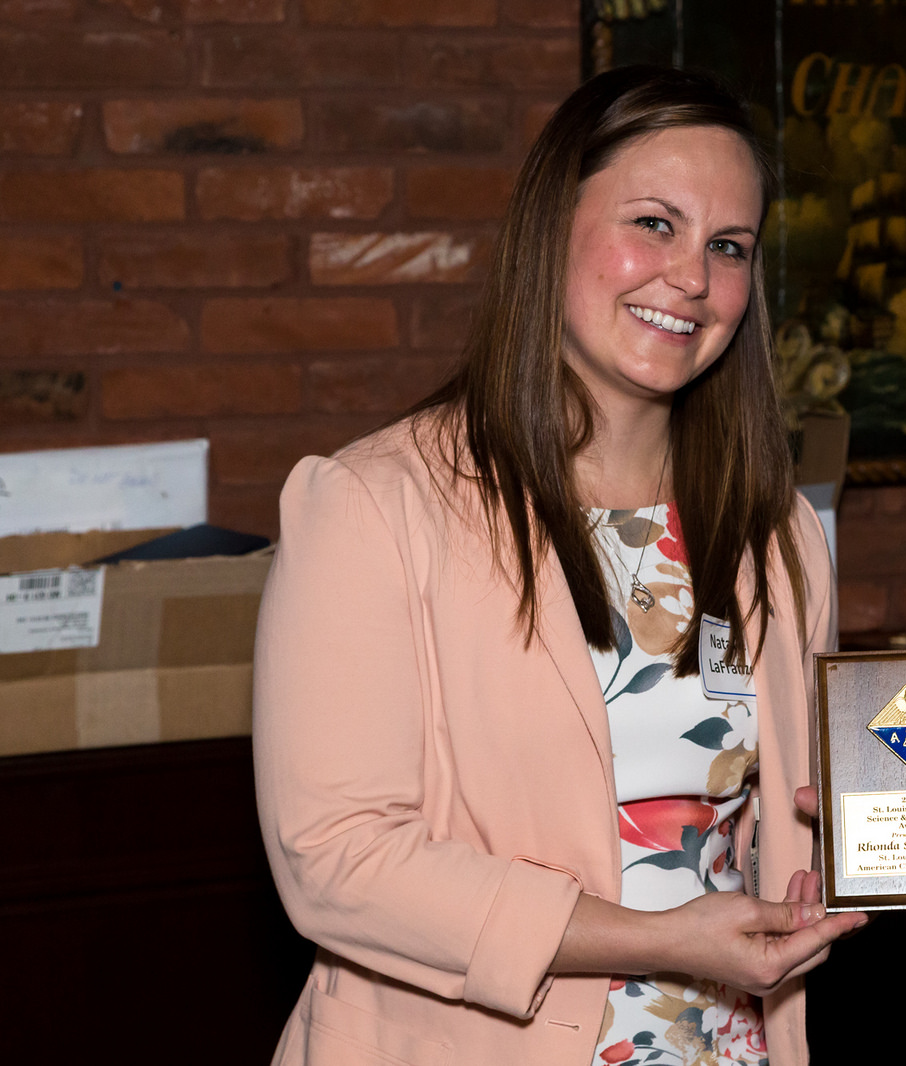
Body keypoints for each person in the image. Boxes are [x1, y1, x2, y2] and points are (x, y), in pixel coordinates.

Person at [253, 66, 865, 1066]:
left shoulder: (775, 529)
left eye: (728, 246)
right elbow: (338, 860)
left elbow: (764, 833)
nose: (691, 277)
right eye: (654, 224)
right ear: (552, 228)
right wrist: (656, 938)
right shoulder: (372, 506)